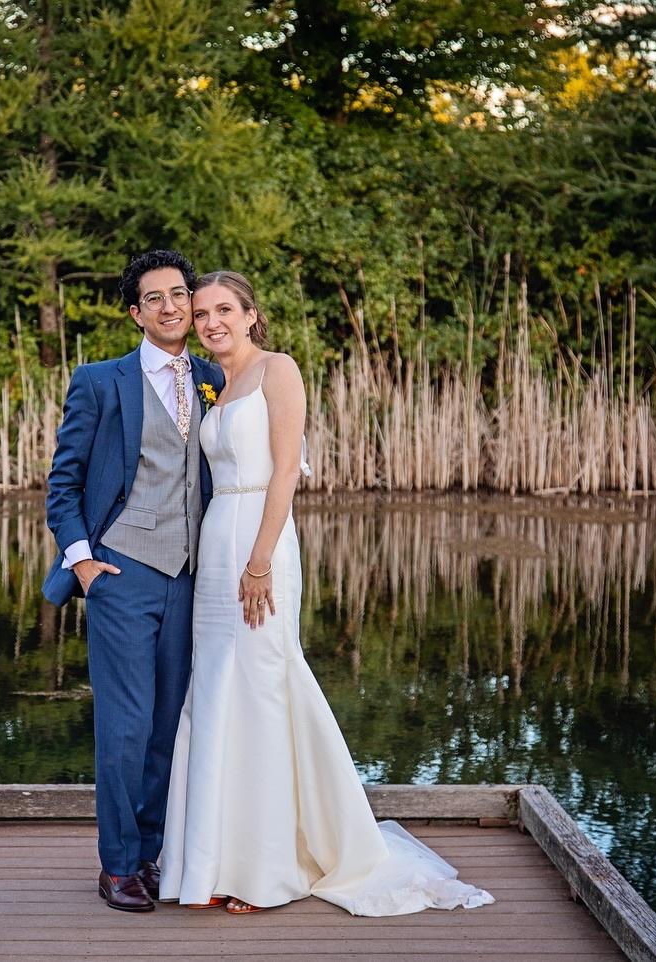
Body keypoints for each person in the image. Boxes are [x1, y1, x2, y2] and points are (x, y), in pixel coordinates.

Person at [158, 270, 494, 916]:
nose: (210, 322)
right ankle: (214, 863)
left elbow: (286, 471)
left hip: (262, 540)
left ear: (253, 315)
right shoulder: (215, 386)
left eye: (224, 309)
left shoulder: (277, 371)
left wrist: (259, 561)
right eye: (201, 313)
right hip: (217, 541)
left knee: (260, 691)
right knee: (218, 694)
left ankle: (268, 870)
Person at [43, 250, 225, 912]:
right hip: (121, 573)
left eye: (180, 294)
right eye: (156, 298)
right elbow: (62, 485)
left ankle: (150, 854)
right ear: (135, 313)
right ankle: (117, 865)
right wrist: (84, 563)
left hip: (192, 579)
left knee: (166, 725)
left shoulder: (213, 377)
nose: (172, 306)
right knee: (124, 724)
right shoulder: (99, 381)